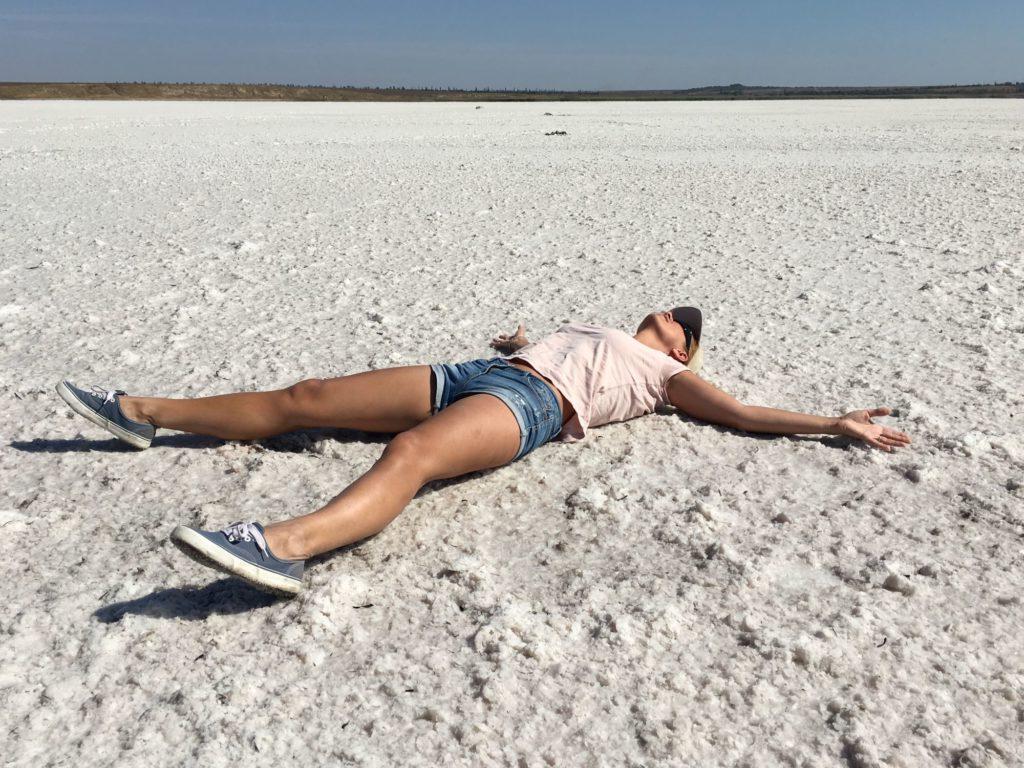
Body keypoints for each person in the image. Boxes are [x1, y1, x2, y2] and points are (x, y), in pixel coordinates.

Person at [56, 307, 911, 596]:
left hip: (532, 405)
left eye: (678, 325)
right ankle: (142, 412)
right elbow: (563, 347)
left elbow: (743, 414)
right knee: (307, 398)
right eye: (663, 312)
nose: (667, 319)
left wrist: (834, 422)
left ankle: (284, 547)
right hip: (485, 371)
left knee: (411, 455)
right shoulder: (607, 329)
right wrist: (518, 342)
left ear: (682, 350)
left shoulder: (668, 375)